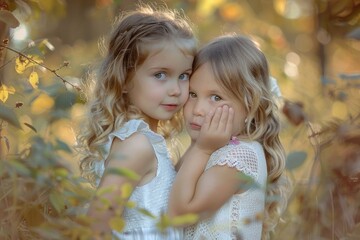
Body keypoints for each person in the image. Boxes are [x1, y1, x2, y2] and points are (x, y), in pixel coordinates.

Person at [76, 4, 197, 239]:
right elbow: (94, 226)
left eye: (184, 76)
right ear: (124, 78)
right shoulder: (136, 145)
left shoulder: (145, 140)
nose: (175, 89)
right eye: (160, 74)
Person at [168, 34, 291, 240]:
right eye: (193, 94)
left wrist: (202, 149)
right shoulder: (214, 146)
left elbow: (178, 214)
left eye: (216, 98)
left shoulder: (239, 157)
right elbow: (174, 185)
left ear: (249, 104)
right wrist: (199, 146)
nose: (198, 109)